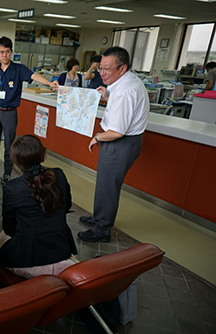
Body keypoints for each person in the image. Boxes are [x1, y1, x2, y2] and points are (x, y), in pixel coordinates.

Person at [78, 47, 149, 243]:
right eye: (100, 68)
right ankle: (99, 217)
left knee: (108, 186)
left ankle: (102, 230)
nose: (102, 73)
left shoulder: (124, 92)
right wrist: (108, 98)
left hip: (120, 143)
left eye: (107, 69)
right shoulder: (127, 83)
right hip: (124, 141)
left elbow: (117, 131)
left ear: (123, 68)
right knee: (104, 184)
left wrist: (97, 137)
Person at [0, 36, 59, 184]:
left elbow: (33, 76)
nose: (4, 55)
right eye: (1, 52)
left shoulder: (19, 69)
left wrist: (49, 83)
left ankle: (7, 174)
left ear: (11, 52)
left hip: (10, 113)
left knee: (9, 146)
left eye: (7, 52)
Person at [0, 135, 77, 278]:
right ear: (43, 156)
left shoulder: (12, 188)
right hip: (60, 249)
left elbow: (9, 228)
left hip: (27, 257)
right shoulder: (59, 175)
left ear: (16, 163)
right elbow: (67, 206)